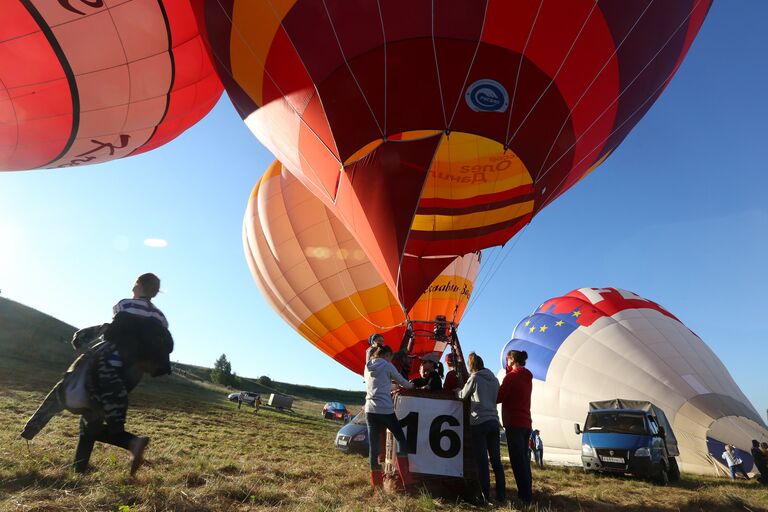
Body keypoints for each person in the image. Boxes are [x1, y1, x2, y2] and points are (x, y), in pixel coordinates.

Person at [72, 273, 173, 475]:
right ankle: (79, 469)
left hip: (110, 367)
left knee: (91, 416)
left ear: (138, 285)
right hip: (133, 374)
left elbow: (114, 333)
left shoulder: (126, 304)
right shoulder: (160, 316)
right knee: (92, 416)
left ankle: (131, 443)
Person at [365, 344, 415, 491]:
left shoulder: (367, 367)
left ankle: (377, 485)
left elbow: (377, 385)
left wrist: (391, 387)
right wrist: (412, 386)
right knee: (400, 438)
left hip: (370, 409)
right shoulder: (387, 365)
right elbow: (402, 381)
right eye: (391, 358)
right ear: (387, 355)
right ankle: (406, 478)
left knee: (373, 447)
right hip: (385, 410)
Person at [458, 352, 506, 504]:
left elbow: (462, 395)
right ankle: (501, 495)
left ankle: (485, 496)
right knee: (496, 461)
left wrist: (456, 392)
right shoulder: (495, 380)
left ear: (471, 365)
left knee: (482, 462)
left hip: (479, 422)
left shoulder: (475, 378)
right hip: (494, 421)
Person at [497, 349, 533, 504]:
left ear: (511, 359)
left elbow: (499, 397)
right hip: (526, 422)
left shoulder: (511, 377)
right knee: (524, 459)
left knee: (517, 461)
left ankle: (524, 497)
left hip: (514, 423)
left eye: (507, 359)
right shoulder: (527, 377)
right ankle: (528, 492)